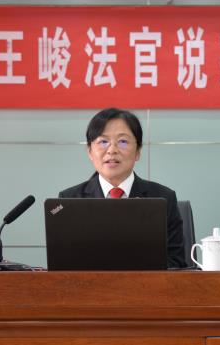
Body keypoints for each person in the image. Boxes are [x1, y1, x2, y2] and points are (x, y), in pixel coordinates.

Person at [59, 108, 187, 268]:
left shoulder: (163, 198)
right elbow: (63, 265)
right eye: (103, 142)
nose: (112, 150)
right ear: (90, 151)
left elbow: (176, 264)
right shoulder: (69, 200)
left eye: (123, 142)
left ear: (138, 151)